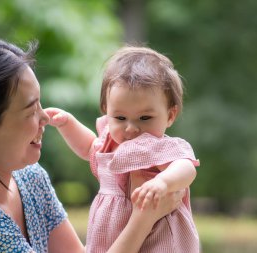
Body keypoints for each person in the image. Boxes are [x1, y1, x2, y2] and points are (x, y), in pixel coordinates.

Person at [0, 38, 184, 253]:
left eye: (40, 104)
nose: (44, 117)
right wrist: (144, 218)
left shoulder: (29, 180)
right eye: (30, 110)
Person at [45, 45, 200, 253]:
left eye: (145, 118)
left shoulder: (160, 146)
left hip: (157, 237)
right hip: (112, 235)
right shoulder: (109, 141)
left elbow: (186, 168)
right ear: (106, 111)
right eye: (120, 118)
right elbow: (89, 147)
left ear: (170, 115)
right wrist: (67, 124)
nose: (131, 128)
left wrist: (162, 182)